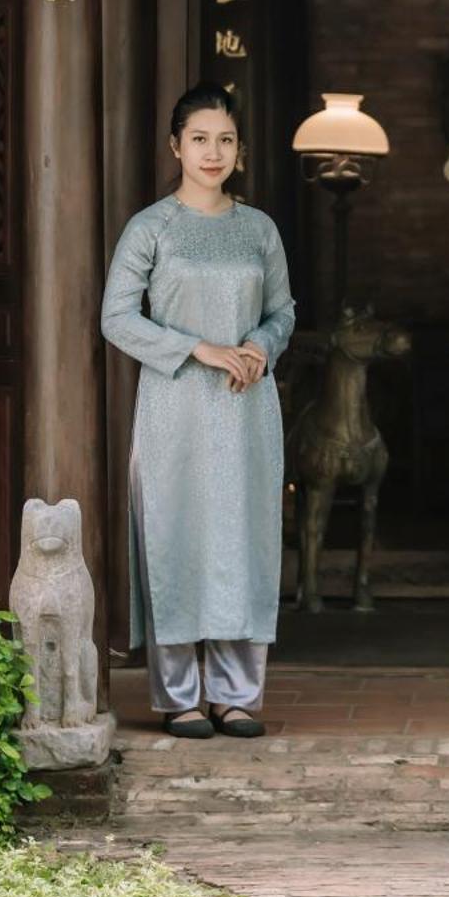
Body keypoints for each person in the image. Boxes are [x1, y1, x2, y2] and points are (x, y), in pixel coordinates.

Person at [101, 83, 295, 738]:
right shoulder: (151, 227)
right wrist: (201, 350)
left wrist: (258, 347)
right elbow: (117, 318)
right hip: (175, 409)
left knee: (243, 540)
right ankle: (181, 695)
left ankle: (237, 693)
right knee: (176, 536)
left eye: (226, 140)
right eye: (201, 139)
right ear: (176, 146)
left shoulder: (258, 229)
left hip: (246, 411)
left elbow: (283, 311)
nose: (213, 152)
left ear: (239, 150)